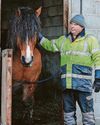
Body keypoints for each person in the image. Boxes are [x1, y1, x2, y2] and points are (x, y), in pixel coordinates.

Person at [38, 15, 100, 125]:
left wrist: (98, 77)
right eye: (71, 23)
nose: (73, 26)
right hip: (67, 86)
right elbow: (49, 45)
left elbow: (98, 58)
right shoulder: (63, 40)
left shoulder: (90, 40)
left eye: (76, 24)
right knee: (68, 117)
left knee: (88, 117)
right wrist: (39, 36)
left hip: (83, 87)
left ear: (82, 27)